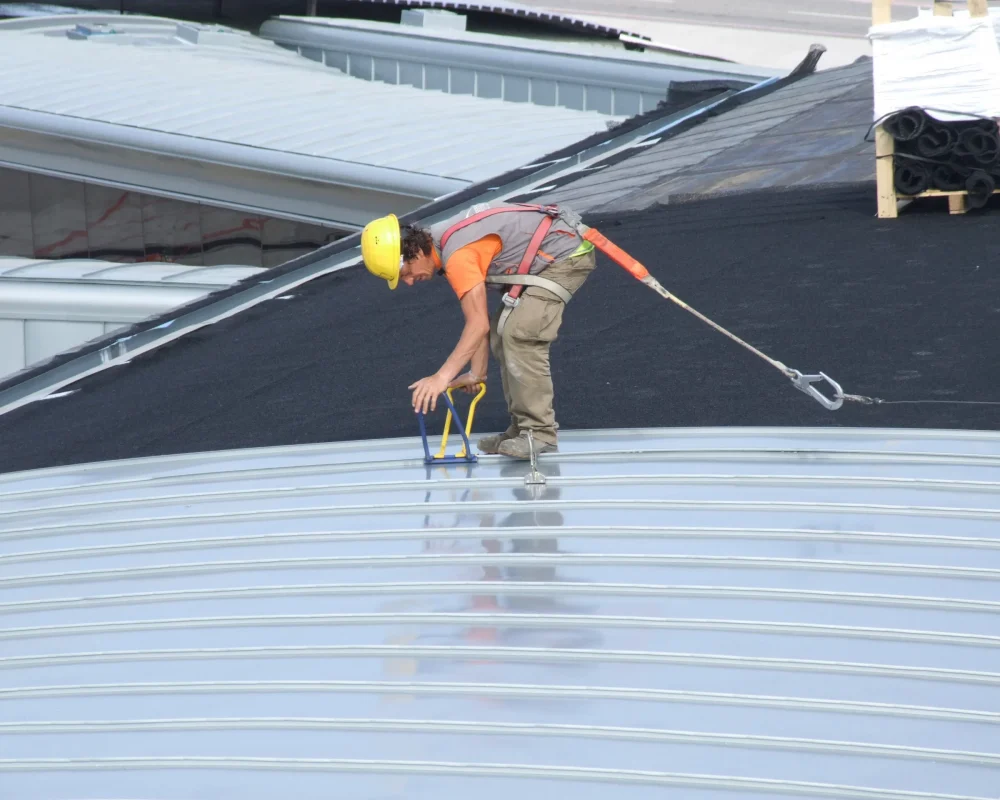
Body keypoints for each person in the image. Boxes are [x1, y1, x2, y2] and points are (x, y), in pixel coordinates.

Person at [360, 203, 595, 459]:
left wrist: (441, 378)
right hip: (547, 256)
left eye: (404, 273)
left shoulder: (458, 254)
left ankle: (539, 433)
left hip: (566, 257)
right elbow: (480, 322)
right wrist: (476, 373)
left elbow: (476, 324)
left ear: (414, 252)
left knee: (520, 333)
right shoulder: (441, 246)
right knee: (500, 332)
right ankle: (521, 429)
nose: (407, 282)